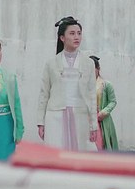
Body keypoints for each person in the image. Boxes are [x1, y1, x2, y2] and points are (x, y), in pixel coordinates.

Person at [36, 16, 98, 151]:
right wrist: (41, 122)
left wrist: (94, 124)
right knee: (56, 152)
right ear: (62, 38)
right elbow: (44, 94)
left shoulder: (88, 63)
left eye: (79, 33)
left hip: (80, 114)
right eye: (72, 33)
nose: (77, 37)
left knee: (82, 153)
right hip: (56, 115)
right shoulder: (51, 63)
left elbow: (92, 95)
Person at [89, 55, 119, 150]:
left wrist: (103, 112)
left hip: (101, 119)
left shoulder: (106, 85)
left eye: (92, 69)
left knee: (100, 145)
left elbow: (112, 101)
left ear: (98, 68)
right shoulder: (83, 85)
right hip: (86, 119)